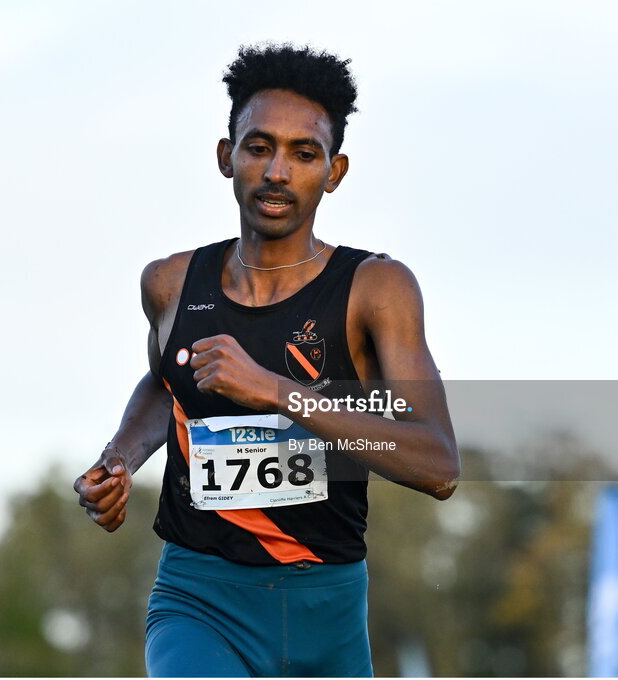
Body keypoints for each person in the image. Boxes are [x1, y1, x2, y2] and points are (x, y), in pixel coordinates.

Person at [73, 43, 459, 677]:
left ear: (333, 171)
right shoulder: (170, 284)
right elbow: (164, 381)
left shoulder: (376, 290)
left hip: (326, 611)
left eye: (303, 154)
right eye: (259, 147)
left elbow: (438, 465)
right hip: (198, 597)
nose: (278, 171)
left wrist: (279, 392)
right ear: (227, 158)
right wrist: (118, 459)